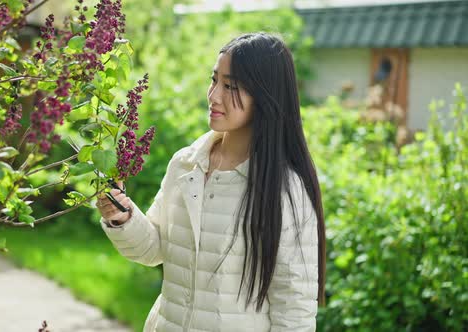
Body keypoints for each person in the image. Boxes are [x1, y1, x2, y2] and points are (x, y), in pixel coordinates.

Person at [95, 32, 326, 332]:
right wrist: (122, 218)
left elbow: (293, 309)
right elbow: (154, 249)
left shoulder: (284, 190)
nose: (214, 95)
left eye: (230, 86)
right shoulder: (185, 164)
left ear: (265, 95)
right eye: (214, 80)